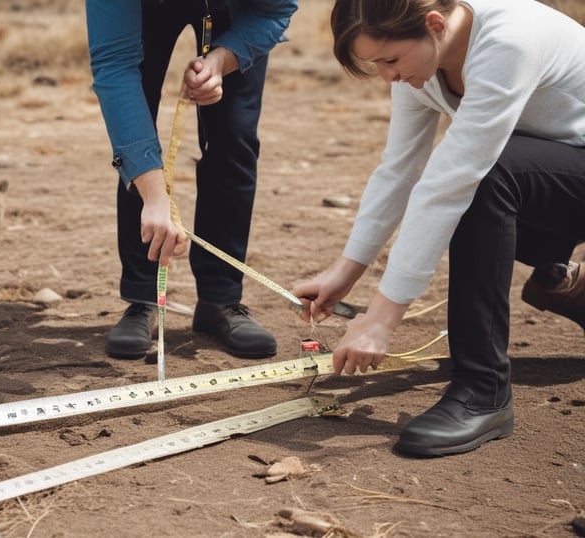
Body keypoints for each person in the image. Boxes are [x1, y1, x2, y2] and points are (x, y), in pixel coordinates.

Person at [292, 0, 585, 457]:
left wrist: (381, 320)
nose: (386, 76)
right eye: (377, 64)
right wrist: (344, 272)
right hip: (559, 170)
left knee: (482, 179)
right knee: (482, 177)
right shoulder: (423, 61)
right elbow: (398, 170)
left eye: (390, 60)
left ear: (434, 24)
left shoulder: (509, 41)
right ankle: (567, 283)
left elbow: (449, 183)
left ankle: (483, 391)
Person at [86, 1, 298, 361]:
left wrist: (222, 61)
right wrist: (154, 196)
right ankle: (143, 297)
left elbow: (273, 11)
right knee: (136, 121)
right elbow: (116, 67)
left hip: (235, 9)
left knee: (234, 133)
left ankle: (220, 299)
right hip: (144, 9)